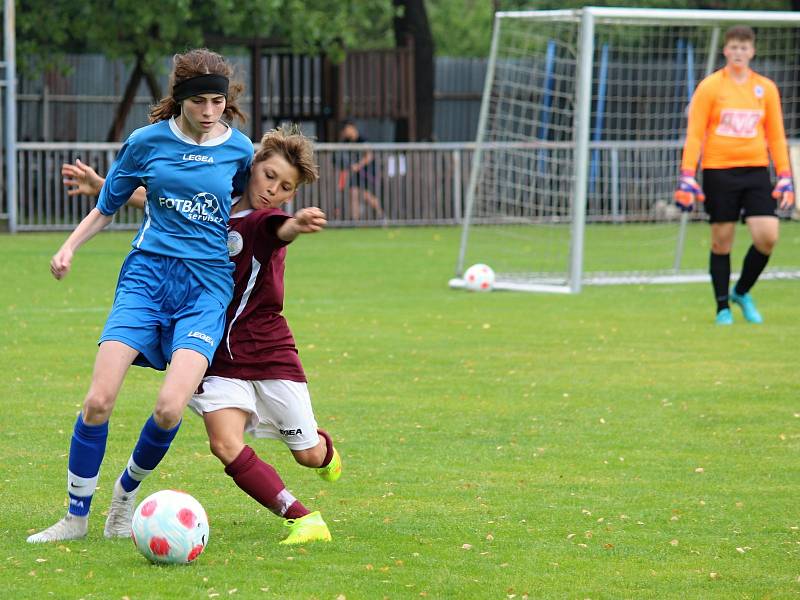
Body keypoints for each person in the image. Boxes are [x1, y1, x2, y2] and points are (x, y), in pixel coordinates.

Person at [57, 125, 340, 545]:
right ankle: (301, 518)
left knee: (309, 454)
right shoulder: (216, 204)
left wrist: (296, 223)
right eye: (268, 176)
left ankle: (326, 453)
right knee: (224, 444)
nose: (273, 190)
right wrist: (102, 184)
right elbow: (164, 203)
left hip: (267, 350)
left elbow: (281, 229)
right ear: (250, 168)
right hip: (217, 351)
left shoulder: (266, 220)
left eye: (285, 187)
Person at [27, 48, 255, 543]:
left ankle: (125, 495)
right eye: (201, 103)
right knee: (98, 400)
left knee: (170, 409)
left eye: (219, 101)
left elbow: (237, 207)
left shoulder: (241, 150)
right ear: (180, 100)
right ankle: (74, 518)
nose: (211, 111)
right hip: (146, 278)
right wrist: (68, 247)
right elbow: (108, 204)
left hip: (206, 287)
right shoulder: (146, 142)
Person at [675, 25, 795, 325]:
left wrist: (785, 175)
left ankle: (741, 291)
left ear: (752, 51)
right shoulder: (711, 87)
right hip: (718, 171)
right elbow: (695, 135)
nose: (739, 52)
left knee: (767, 237)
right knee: (721, 241)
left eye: (744, 47)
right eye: (734, 47)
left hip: (755, 170)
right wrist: (687, 174)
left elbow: (776, 136)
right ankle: (722, 308)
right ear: (725, 50)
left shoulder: (765, 88)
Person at [338, 119, 385, 221]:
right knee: (353, 193)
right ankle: (355, 221)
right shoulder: (347, 141)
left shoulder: (362, 139)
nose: (345, 132)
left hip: (367, 172)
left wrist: (358, 165)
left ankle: (381, 215)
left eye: (346, 130)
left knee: (365, 195)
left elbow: (369, 156)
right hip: (356, 173)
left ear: (352, 127)